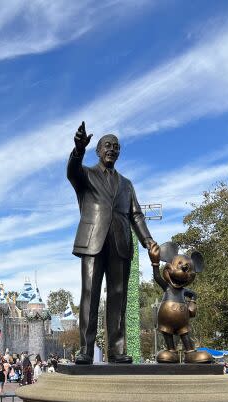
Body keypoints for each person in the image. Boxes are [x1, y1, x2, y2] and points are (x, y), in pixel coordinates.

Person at [67, 122, 158, 364]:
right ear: (97, 150)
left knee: (118, 296)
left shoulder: (127, 184)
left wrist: (147, 241)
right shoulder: (86, 175)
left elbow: (136, 215)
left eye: (116, 147)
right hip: (92, 241)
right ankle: (86, 350)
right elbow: (71, 171)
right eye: (107, 145)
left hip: (121, 243)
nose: (112, 149)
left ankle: (117, 350)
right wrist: (78, 150)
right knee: (90, 294)